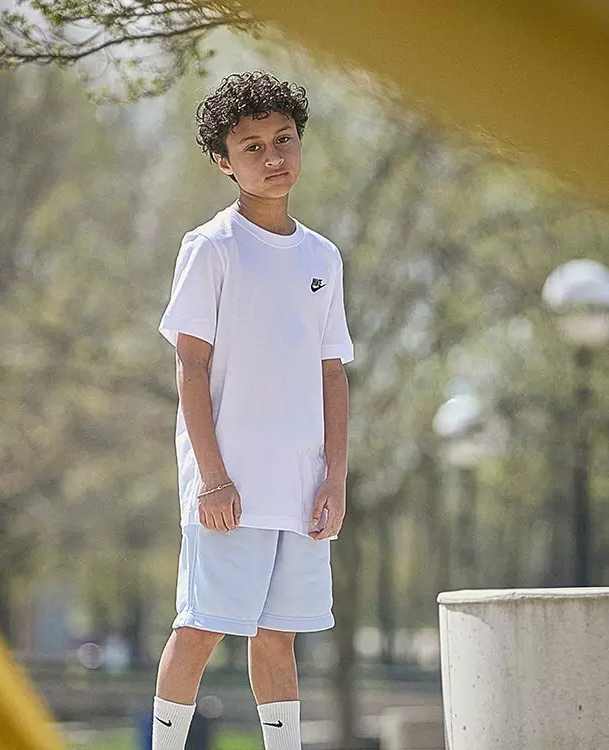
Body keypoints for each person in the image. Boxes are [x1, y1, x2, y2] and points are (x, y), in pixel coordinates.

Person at [153, 71, 353, 750]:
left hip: (302, 489)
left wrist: (334, 480)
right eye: (253, 147)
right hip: (228, 487)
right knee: (200, 627)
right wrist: (212, 479)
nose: (273, 157)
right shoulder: (210, 248)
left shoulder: (323, 256)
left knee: (278, 638)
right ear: (223, 161)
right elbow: (191, 366)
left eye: (284, 140)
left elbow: (332, 374)